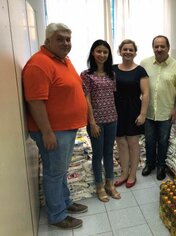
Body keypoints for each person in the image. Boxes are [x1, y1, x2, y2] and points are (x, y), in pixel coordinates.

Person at [22, 23, 88, 229]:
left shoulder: (63, 60)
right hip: (54, 131)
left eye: (68, 39)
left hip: (65, 129)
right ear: (47, 40)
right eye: (60, 39)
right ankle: (57, 215)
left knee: (60, 170)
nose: (66, 43)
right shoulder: (39, 64)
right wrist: (47, 132)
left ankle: (65, 202)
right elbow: (35, 101)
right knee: (54, 172)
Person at [140, 35, 176, 180]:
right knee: (149, 140)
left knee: (163, 141)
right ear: (153, 47)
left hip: (166, 112)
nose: (159, 49)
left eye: (162, 46)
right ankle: (150, 164)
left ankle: (161, 165)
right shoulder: (144, 64)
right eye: (156, 46)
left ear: (168, 48)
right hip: (148, 111)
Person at [80, 40, 121, 201]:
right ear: (92, 53)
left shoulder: (112, 74)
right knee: (97, 155)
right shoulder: (86, 75)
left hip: (112, 119)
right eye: (99, 51)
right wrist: (92, 122)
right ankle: (99, 186)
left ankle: (110, 184)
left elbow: (112, 96)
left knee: (109, 153)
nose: (102, 55)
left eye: (105, 52)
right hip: (96, 121)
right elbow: (86, 99)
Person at [113, 39, 149, 188]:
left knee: (133, 143)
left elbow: (146, 94)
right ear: (120, 51)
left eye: (130, 50)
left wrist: (143, 114)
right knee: (121, 143)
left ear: (135, 52)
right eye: (125, 49)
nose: (127, 52)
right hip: (116, 110)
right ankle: (123, 173)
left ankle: (133, 174)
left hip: (134, 109)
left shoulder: (140, 70)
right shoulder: (112, 69)